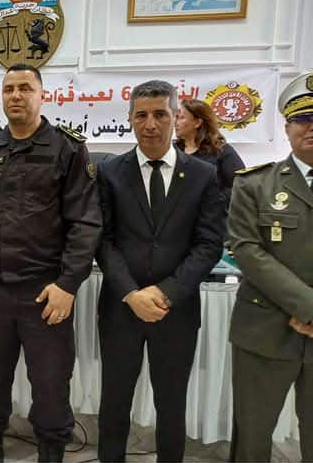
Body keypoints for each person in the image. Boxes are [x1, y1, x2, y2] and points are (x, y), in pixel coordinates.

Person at [0, 63, 102, 463]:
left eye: (25, 88)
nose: (16, 96)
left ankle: (51, 451)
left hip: (45, 288)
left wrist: (68, 284)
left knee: (51, 381)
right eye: (8, 89)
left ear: (42, 95)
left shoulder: (67, 149)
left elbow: (86, 223)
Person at [95, 79, 224, 462]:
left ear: (175, 117)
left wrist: (166, 292)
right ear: (129, 119)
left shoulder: (202, 175)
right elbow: (102, 241)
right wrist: (132, 293)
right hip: (121, 308)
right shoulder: (109, 172)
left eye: (160, 115)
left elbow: (208, 244)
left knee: (171, 404)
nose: (150, 124)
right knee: (114, 401)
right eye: (141, 115)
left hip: (176, 311)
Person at [227, 71, 313, 462]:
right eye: (302, 119)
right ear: (287, 127)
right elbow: (247, 250)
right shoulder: (254, 184)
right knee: (253, 437)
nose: (310, 127)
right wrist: (308, 306)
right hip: (264, 331)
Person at [174, 98, 244, 209]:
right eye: (176, 117)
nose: (175, 122)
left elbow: (240, 184)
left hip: (212, 215)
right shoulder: (173, 150)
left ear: (197, 123)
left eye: (181, 118)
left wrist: (215, 201)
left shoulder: (221, 150)